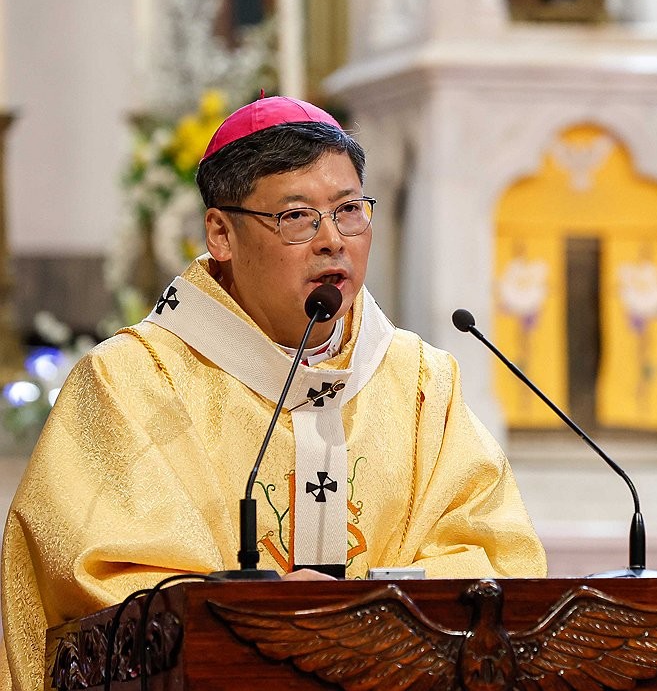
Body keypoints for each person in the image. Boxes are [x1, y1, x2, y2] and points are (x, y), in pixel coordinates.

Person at [0, 96, 547, 690]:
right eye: (297, 217)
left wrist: (363, 613)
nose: (332, 239)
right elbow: (100, 584)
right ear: (220, 233)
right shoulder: (132, 382)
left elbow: (496, 558)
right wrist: (268, 617)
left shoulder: (418, 380)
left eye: (349, 211)